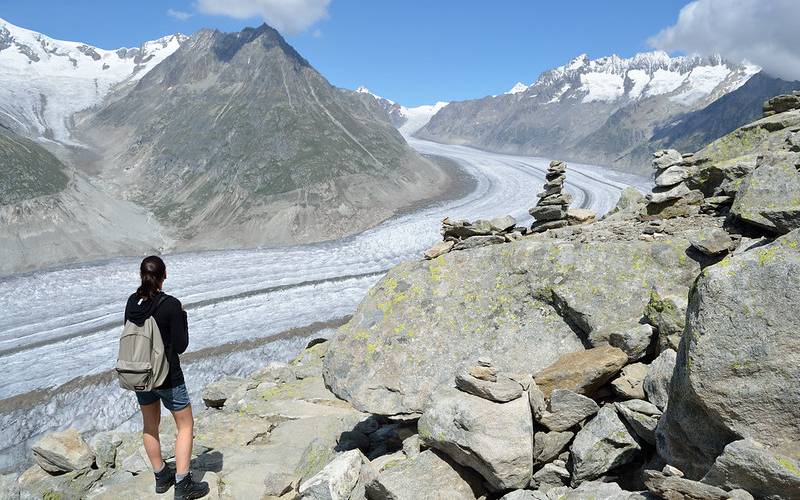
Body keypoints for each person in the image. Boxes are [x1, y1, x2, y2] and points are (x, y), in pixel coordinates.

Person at [124, 255, 209, 499]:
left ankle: (161, 476)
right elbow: (181, 345)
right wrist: (183, 316)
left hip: (141, 375)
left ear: (141, 275)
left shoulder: (132, 302)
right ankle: (183, 484)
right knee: (185, 425)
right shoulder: (171, 305)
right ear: (165, 275)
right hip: (168, 376)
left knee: (150, 425)